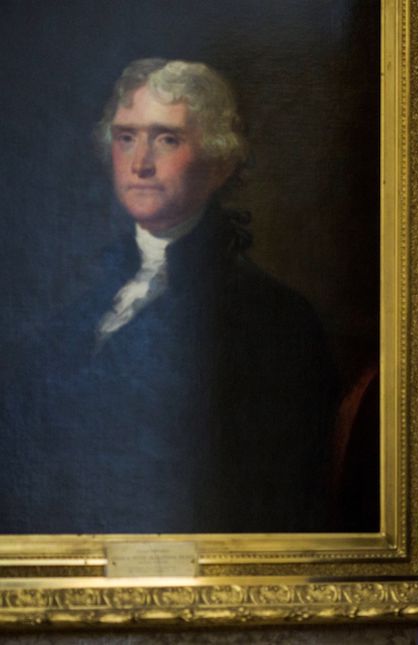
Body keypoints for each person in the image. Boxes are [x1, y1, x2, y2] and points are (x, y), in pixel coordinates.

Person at [0, 59, 338, 534]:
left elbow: (265, 499)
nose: (140, 162)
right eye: (126, 137)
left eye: (167, 139)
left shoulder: (273, 320)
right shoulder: (80, 307)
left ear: (218, 163)